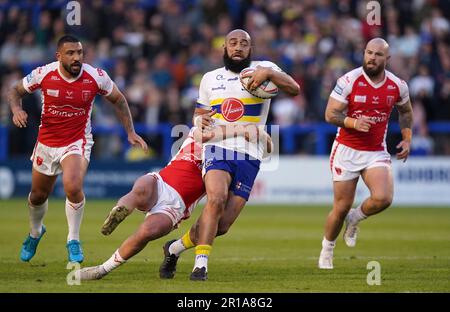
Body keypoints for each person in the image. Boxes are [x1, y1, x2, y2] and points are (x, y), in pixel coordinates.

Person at [166, 29, 300, 281]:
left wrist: (270, 74)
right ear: (224, 48)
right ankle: (200, 266)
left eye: (244, 44)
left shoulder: (265, 68)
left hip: (251, 153)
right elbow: (199, 116)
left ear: (251, 48)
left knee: (223, 224)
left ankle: (174, 248)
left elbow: (294, 89)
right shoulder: (209, 78)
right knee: (215, 199)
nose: (238, 47)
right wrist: (200, 122)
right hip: (218, 146)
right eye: (233, 43)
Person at [7, 35, 147, 263]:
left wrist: (130, 132)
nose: (76, 58)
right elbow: (14, 91)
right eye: (71, 53)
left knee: (72, 186)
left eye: (80, 53)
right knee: (37, 195)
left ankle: (73, 239)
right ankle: (35, 232)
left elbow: (119, 100)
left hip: (77, 141)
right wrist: (16, 110)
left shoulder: (95, 76)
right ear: (59, 56)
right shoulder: (45, 73)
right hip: (47, 142)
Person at [75, 125, 273, 280]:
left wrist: (259, 135)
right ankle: (119, 211)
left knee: (148, 232)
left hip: (175, 206)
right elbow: (200, 131)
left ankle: (103, 269)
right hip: (161, 181)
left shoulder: (230, 154)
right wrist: (244, 130)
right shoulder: (201, 130)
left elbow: (265, 150)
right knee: (140, 190)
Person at [318, 38, 413, 269]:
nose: (372, 57)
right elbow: (330, 114)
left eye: (378, 54)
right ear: (364, 53)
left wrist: (407, 138)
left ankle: (356, 217)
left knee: (383, 198)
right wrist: (352, 121)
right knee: (340, 208)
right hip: (346, 150)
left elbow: (406, 112)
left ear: (387, 59)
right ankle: (327, 249)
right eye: (369, 53)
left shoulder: (397, 85)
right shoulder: (349, 80)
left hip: (375, 150)